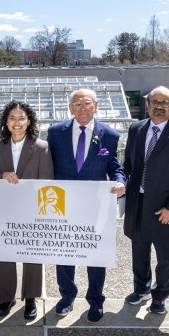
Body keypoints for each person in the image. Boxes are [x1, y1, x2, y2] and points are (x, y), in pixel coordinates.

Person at [46, 88, 126, 323]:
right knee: (64, 253)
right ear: (70, 108)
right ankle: (67, 296)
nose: (82, 108)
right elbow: (47, 164)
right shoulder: (55, 132)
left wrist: (121, 181)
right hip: (63, 205)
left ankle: (95, 300)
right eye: (77, 104)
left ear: (96, 106)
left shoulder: (109, 135)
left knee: (96, 255)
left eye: (87, 104)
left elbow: (114, 165)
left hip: (96, 206)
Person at [122, 86, 169, 315]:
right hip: (138, 203)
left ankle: (160, 296)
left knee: (165, 257)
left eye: (164, 102)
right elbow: (128, 164)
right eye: (154, 102)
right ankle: (141, 288)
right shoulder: (136, 129)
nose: (158, 106)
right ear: (147, 105)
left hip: (165, 207)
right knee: (139, 252)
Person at [0, 100, 54, 319]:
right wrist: (2, 175)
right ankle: (6, 297)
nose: (17, 122)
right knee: (3, 254)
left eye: (21, 118)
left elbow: (47, 183)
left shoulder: (41, 147)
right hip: (4, 209)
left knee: (32, 254)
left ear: (29, 121)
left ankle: (31, 298)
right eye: (12, 118)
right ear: (6, 122)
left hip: (32, 210)